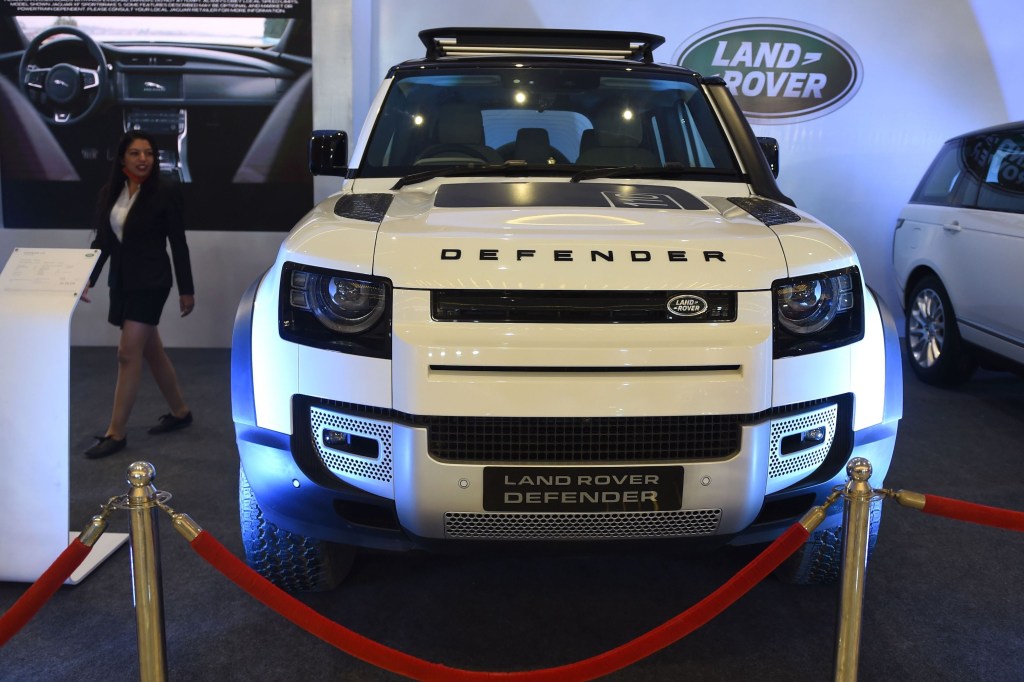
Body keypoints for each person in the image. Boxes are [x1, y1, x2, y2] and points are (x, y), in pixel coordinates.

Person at [81, 131, 195, 459]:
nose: (143, 159)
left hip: (153, 282)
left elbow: (178, 242)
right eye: (135, 153)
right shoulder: (112, 192)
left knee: (127, 353)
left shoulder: (166, 191)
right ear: (122, 158)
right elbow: (103, 241)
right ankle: (180, 412)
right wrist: (86, 278)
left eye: (148, 153)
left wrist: (186, 289)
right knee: (151, 352)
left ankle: (115, 433)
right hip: (122, 282)